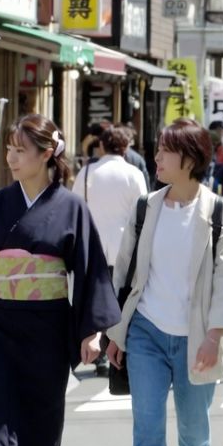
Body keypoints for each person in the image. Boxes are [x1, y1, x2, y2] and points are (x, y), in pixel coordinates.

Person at [0, 114, 119, 446]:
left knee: (40, 423)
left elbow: (91, 270)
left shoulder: (71, 207)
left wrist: (91, 330)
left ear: (46, 154)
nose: (11, 157)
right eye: (10, 149)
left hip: (48, 326)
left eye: (21, 150)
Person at [104, 119, 223, 446]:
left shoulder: (220, 213)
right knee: (147, 429)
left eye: (165, 150)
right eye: (158, 149)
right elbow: (124, 274)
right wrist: (117, 334)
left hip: (198, 337)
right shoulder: (146, 207)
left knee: (194, 433)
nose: (157, 157)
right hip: (145, 330)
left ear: (190, 159)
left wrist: (215, 336)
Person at [72, 125, 149, 376]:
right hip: (124, 246)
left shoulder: (87, 172)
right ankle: (117, 346)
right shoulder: (133, 173)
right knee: (120, 299)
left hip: (92, 244)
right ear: (126, 148)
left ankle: (99, 352)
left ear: (101, 145)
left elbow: (75, 206)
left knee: (95, 298)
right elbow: (143, 211)